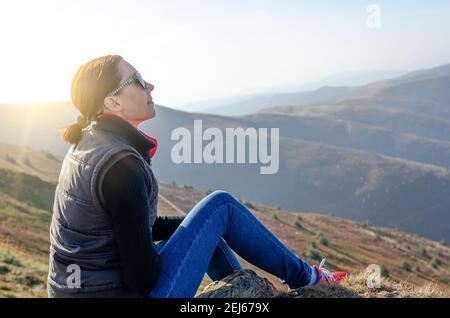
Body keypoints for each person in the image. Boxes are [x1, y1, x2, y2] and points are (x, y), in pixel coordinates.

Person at [47, 54, 347, 298]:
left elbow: (128, 230)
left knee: (210, 222)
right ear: (113, 102)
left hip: (82, 290)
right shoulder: (120, 166)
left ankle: (256, 293)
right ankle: (310, 280)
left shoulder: (88, 144)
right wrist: (194, 237)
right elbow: (142, 278)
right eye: (138, 81)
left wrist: (199, 230)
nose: (150, 86)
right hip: (119, 291)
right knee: (221, 205)